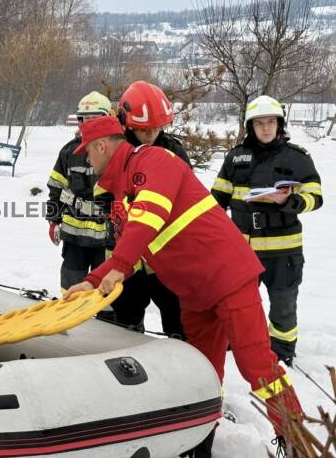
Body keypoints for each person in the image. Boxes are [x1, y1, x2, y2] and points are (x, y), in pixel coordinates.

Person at [65, 115, 302, 456]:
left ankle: (297, 440)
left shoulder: (153, 160)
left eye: (87, 153)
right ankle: (200, 441)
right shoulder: (122, 193)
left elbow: (149, 216)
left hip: (227, 277)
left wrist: (117, 267)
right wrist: (91, 281)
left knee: (256, 364)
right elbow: (131, 249)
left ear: (101, 146)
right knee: (202, 372)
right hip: (194, 294)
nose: (87, 161)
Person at [211, 95, 323, 366]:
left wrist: (288, 201)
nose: (266, 128)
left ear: (279, 124)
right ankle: (236, 346)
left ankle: (282, 354)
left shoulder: (296, 158)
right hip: (242, 250)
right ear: (250, 126)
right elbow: (216, 200)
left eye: (271, 122)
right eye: (259, 123)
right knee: (237, 304)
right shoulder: (235, 157)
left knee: (283, 306)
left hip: (283, 250)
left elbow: (315, 197)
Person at [110, 81, 190, 338]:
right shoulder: (115, 152)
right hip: (127, 259)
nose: (151, 135)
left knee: (178, 322)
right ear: (126, 123)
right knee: (125, 325)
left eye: (157, 128)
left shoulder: (174, 151)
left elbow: (187, 197)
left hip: (166, 257)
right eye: (144, 129)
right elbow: (103, 194)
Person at [46, 91, 110, 293]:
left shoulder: (117, 150)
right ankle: (71, 314)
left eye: (95, 119)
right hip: (75, 237)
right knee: (71, 288)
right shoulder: (69, 152)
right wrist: (53, 220)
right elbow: (56, 188)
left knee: (105, 291)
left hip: (107, 238)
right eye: (84, 119)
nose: (89, 124)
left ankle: (105, 315)